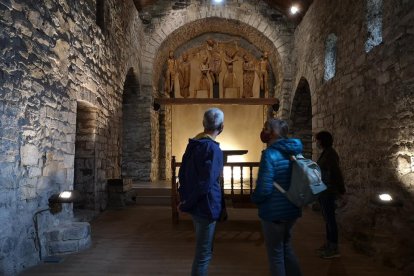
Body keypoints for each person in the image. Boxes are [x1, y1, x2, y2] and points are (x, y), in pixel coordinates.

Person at [252, 119, 303, 276]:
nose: (264, 131)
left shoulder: (269, 154)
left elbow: (265, 188)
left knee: (275, 255)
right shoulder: (294, 151)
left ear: (273, 133)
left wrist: (255, 199)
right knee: (286, 248)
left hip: (273, 212)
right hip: (292, 208)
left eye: (266, 128)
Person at [178, 108, 225, 276]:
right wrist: (187, 203)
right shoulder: (213, 149)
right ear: (222, 127)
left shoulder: (193, 144)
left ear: (203, 124)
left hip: (196, 205)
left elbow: (182, 174)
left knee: (202, 251)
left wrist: (184, 200)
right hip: (206, 206)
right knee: (203, 255)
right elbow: (206, 184)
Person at [314, 131, 345, 259]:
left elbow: (336, 173)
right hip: (323, 191)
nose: (316, 142)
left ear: (322, 141)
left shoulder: (331, 154)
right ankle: (329, 244)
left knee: (330, 220)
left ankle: (333, 248)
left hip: (328, 191)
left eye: (317, 140)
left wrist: (341, 190)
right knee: (327, 219)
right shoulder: (326, 153)